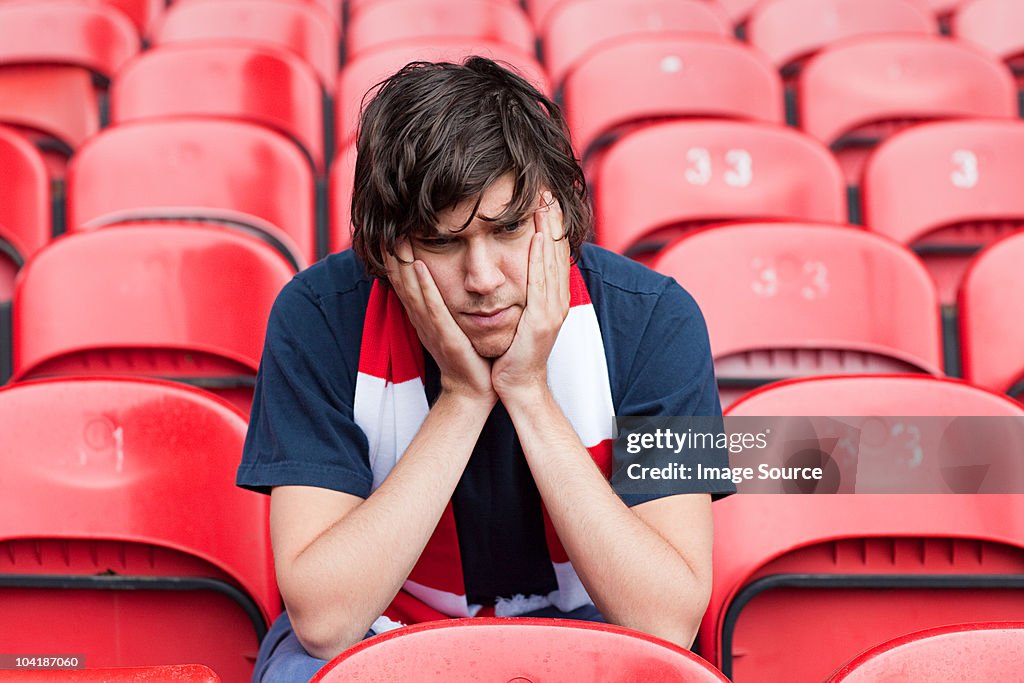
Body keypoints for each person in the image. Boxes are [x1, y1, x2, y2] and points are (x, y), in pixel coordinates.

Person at [237, 56, 734, 682]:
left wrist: (528, 393)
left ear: (557, 215)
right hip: (378, 637)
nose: (483, 279)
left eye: (509, 230)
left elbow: (667, 621)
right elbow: (324, 621)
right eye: (441, 243)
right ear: (387, 247)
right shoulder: (316, 316)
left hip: (593, 637)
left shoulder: (659, 320)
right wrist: (463, 400)